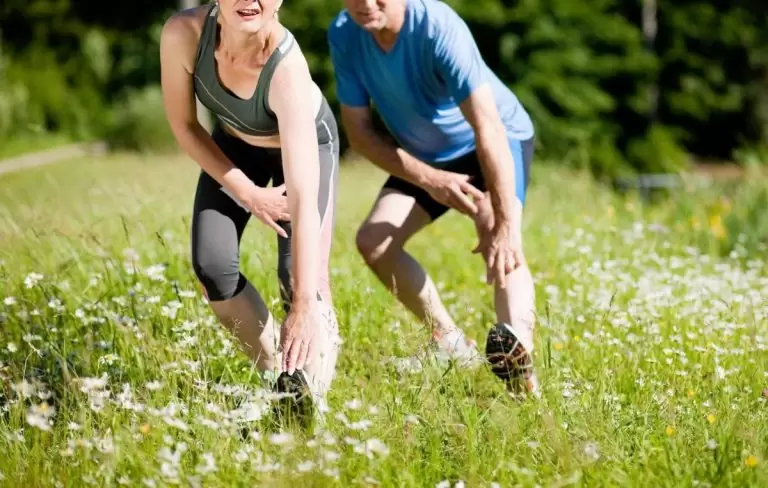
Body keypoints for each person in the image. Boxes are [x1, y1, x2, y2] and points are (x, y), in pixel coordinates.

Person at [327, 0, 539, 395]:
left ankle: (520, 367)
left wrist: (507, 223)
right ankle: (450, 344)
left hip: (493, 138)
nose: (366, 4)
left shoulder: (437, 26)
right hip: (427, 159)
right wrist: (429, 178)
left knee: (500, 236)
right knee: (374, 242)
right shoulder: (344, 33)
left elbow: (487, 125)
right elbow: (359, 136)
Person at [160, 0, 342, 421]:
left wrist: (300, 304)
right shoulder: (182, 36)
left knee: (299, 278)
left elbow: (300, 189)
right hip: (235, 147)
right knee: (212, 266)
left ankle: (311, 393)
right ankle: (280, 376)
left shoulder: (287, 73)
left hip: (305, 151)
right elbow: (185, 126)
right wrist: (248, 192)